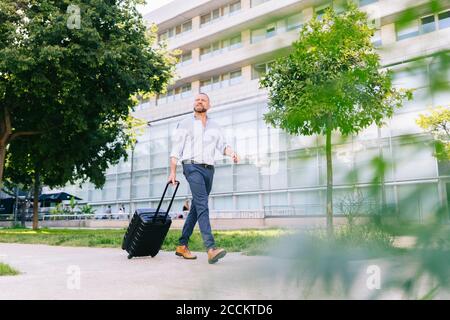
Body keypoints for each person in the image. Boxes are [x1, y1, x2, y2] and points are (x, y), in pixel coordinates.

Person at [168, 93, 239, 264]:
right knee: (202, 205)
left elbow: (222, 146)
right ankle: (210, 248)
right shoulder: (185, 124)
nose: (199, 101)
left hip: (209, 169)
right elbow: (176, 150)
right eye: (197, 99)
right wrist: (172, 172)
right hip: (191, 167)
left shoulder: (215, 125)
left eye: (203, 100)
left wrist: (232, 153)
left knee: (196, 208)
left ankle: (182, 245)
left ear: (209, 104)